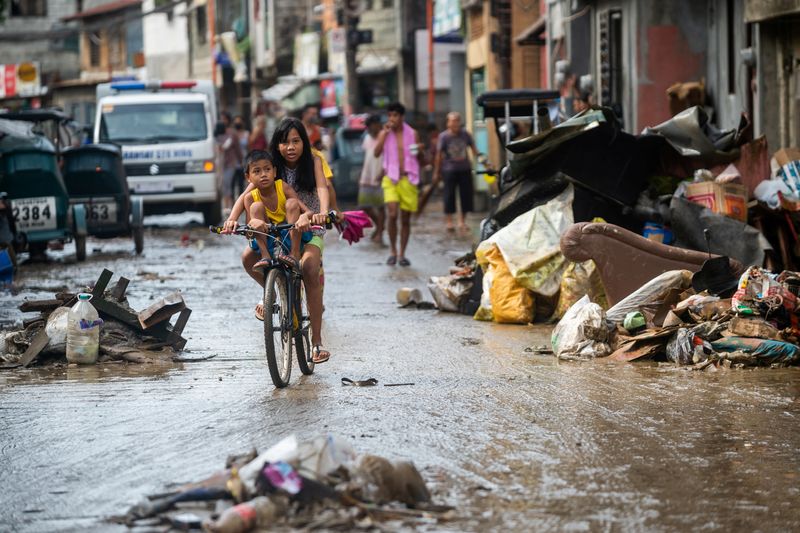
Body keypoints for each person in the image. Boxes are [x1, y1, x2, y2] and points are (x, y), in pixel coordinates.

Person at [224, 118, 332, 364]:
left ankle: (316, 343)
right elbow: (245, 196)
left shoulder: (314, 161)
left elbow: (323, 188)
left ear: (304, 142)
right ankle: (272, 292)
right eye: (285, 142)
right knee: (247, 257)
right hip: (275, 229)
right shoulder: (267, 165)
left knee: (309, 268)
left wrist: (322, 213)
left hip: (309, 225)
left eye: (296, 141)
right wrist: (231, 219)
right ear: (277, 145)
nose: (290, 147)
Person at [233, 150, 309, 275]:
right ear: (248, 177)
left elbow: (307, 211)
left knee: (292, 203)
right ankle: (265, 256)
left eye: (267, 169)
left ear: (274, 172)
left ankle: (294, 254)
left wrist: (304, 217)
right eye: (257, 171)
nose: (263, 175)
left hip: (289, 236)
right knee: (256, 207)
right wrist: (254, 223)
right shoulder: (250, 197)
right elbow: (249, 234)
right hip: (268, 240)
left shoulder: (282, 187)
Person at [374, 102, 424, 266]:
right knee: (393, 213)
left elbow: (422, 160)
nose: (392, 118)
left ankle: (402, 254)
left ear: (402, 117)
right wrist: (383, 134)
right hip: (390, 178)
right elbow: (376, 153)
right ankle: (392, 251)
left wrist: (421, 150)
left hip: (408, 178)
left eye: (395, 115)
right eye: (389, 115)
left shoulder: (412, 133)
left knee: (405, 219)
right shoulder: (385, 133)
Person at [432, 112, 478, 233]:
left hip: (464, 169)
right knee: (449, 196)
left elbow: (474, 150)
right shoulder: (444, 137)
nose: (455, 123)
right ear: (448, 123)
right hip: (449, 170)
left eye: (457, 120)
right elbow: (439, 155)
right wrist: (436, 172)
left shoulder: (465, 134)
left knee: (465, 196)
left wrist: (484, 162)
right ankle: (449, 222)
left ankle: (462, 221)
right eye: (452, 121)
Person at [358, 115, 385, 243]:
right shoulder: (367, 138)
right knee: (365, 206)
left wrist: (384, 172)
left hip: (381, 176)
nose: (369, 129)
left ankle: (380, 231)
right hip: (367, 176)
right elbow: (367, 157)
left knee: (381, 206)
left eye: (371, 126)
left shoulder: (385, 138)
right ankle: (380, 226)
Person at [217, 111, 243, 216]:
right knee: (223, 185)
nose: (223, 121)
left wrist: (241, 161)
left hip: (230, 163)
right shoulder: (217, 132)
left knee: (228, 184)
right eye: (221, 119)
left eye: (225, 119)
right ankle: (227, 205)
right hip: (219, 163)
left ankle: (229, 206)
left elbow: (237, 148)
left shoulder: (232, 133)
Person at [232, 115, 250, 198]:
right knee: (231, 183)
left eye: (239, 122)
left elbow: (249, 148)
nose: (237, 124)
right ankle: (232, 204)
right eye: (236, 122)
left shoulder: (246, 134)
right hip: (232, 163)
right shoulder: (232, 134)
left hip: (243, 162)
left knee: (241, 183)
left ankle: (241, 201)